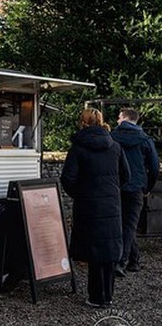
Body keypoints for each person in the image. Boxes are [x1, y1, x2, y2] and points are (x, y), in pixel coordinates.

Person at [61, 108, 130, 308]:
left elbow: (68, 178)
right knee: (108, 250)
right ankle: (107, 295)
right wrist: (113, 192)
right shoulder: (115, 146)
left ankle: (95, 296)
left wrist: (80, 194)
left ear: (83, 123)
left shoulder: (77, 148)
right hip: (111, 205)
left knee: (94, 251)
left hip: (89, 205)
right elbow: (126, 176)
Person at [111, 107, 159, 276]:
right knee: (130, 225)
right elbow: (154, 167)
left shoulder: (112, 137)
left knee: (121, 224)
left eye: (118, 117)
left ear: (124, 118)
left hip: (116, 186)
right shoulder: (145, 139)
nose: (117, 120)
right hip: (136, 187)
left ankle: (132, 260)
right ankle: (121, 262)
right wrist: (147, 187)